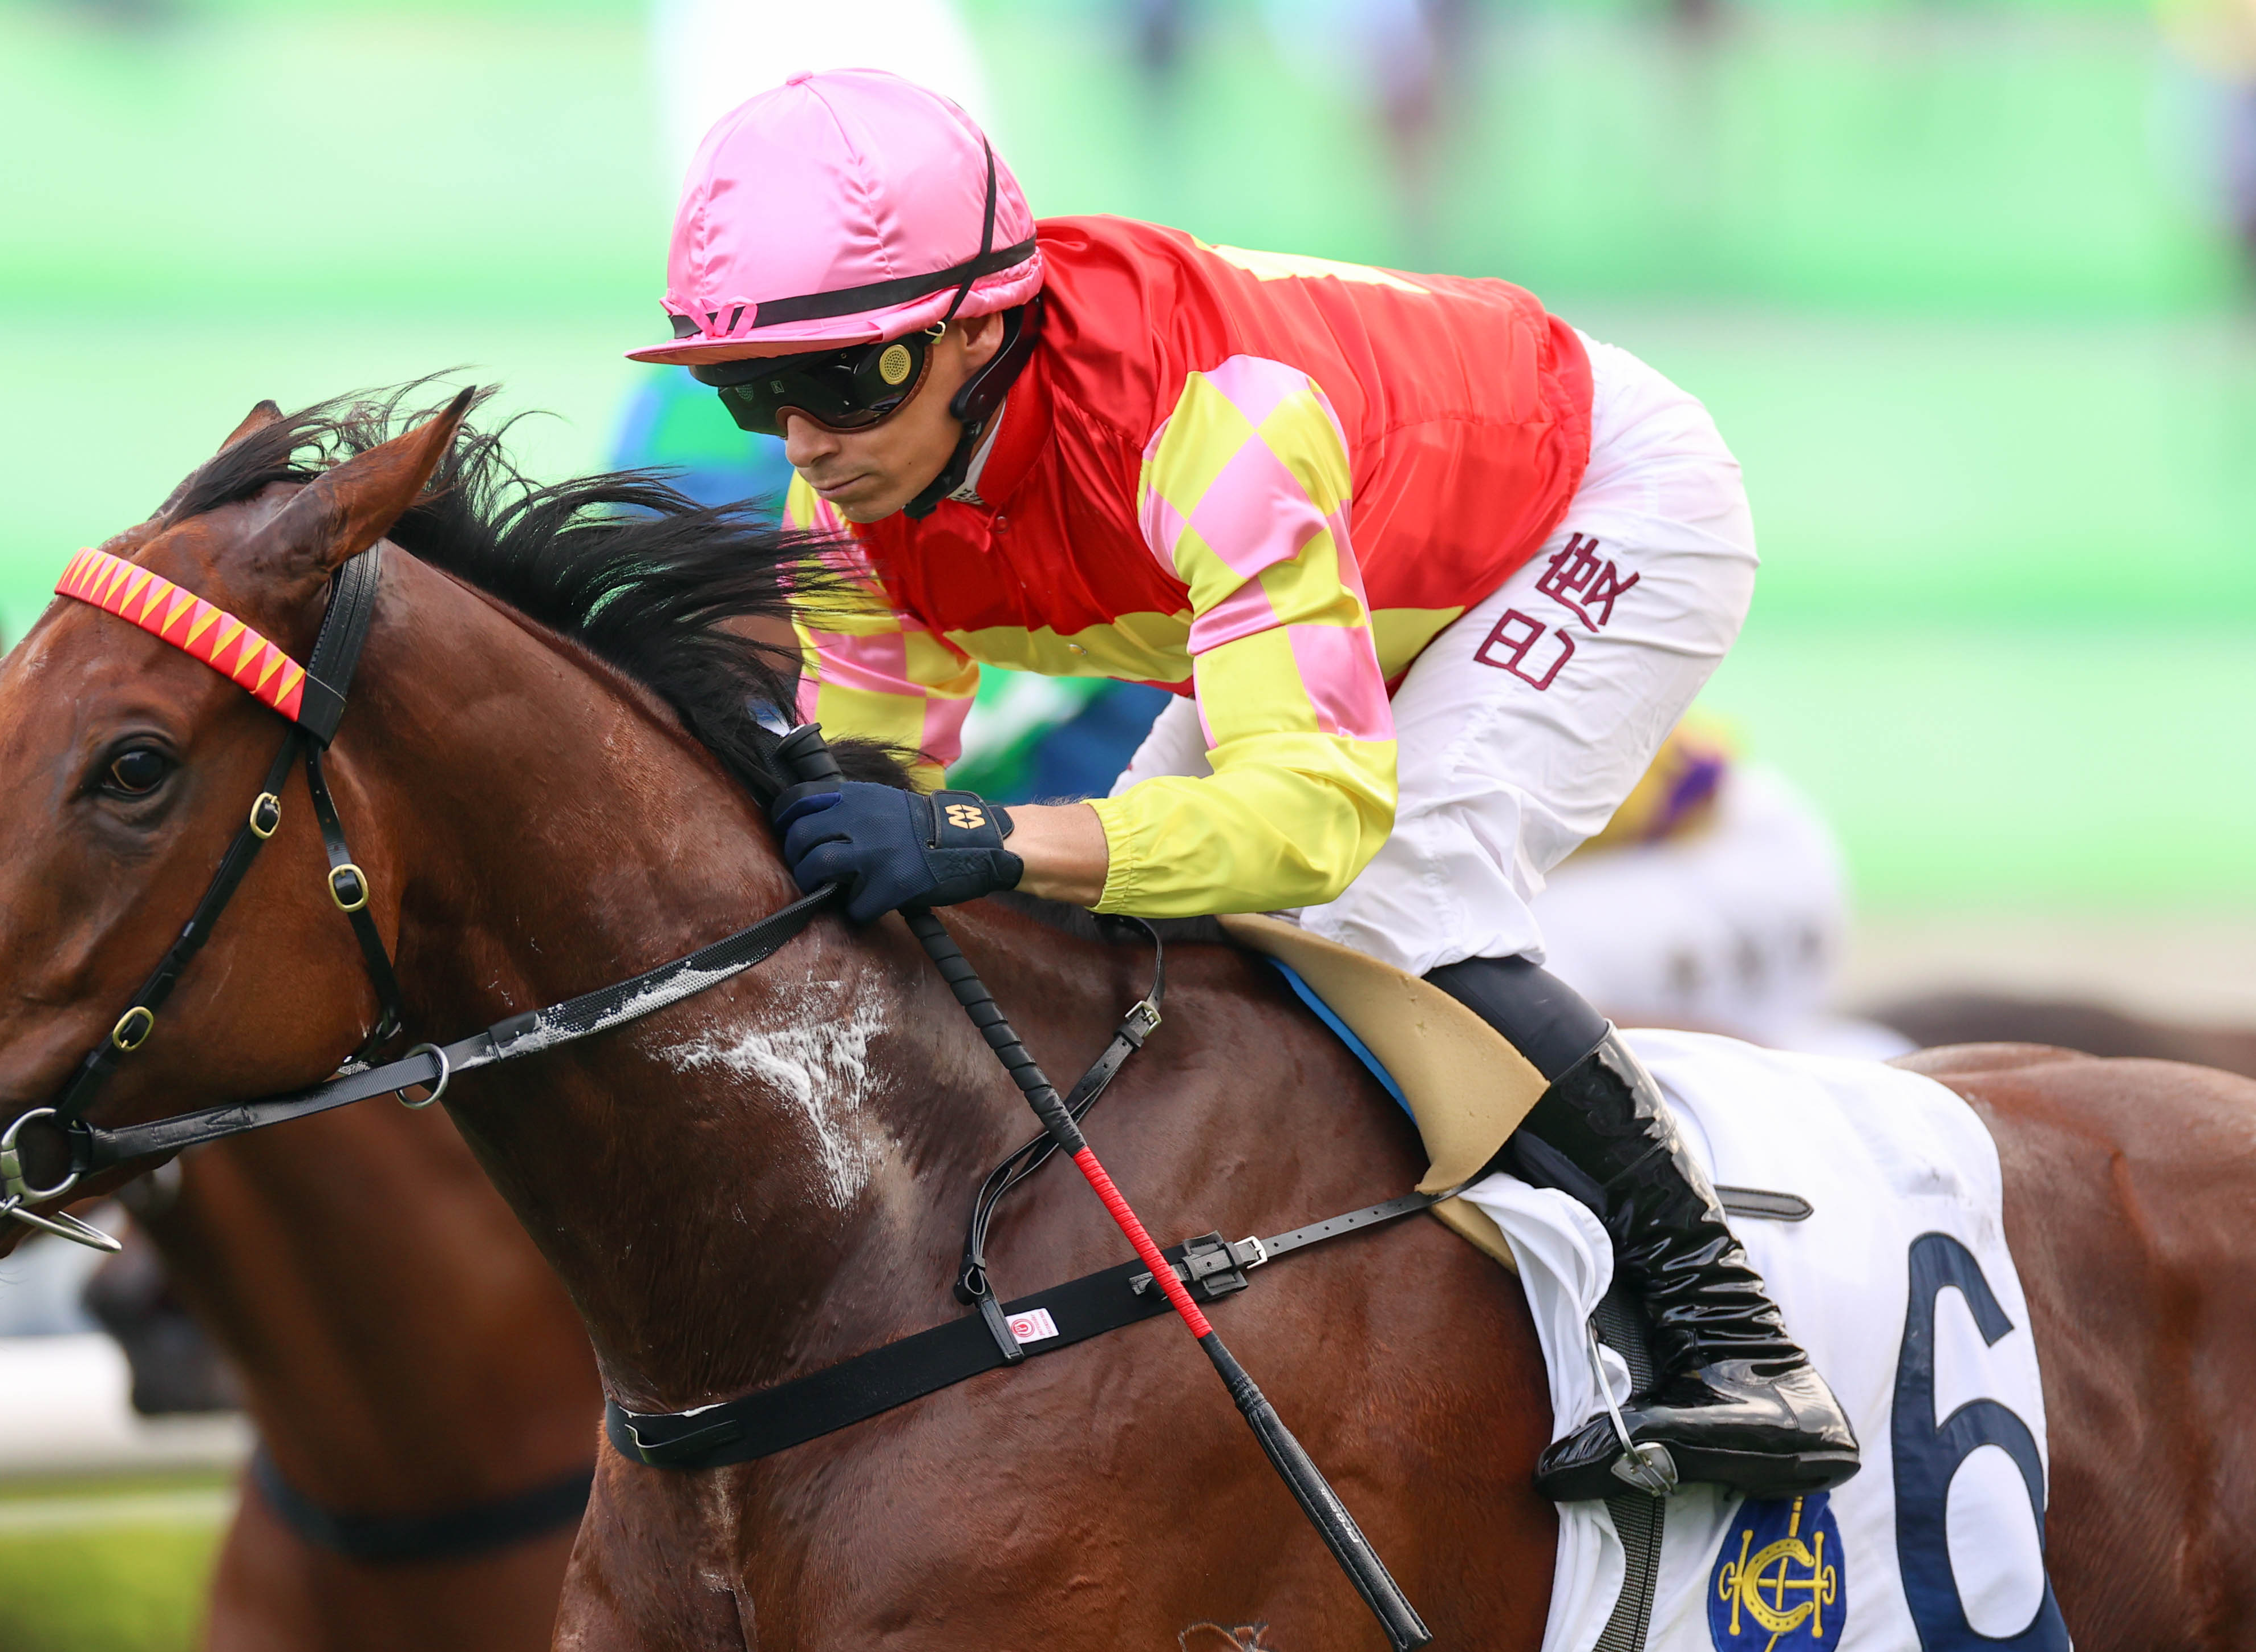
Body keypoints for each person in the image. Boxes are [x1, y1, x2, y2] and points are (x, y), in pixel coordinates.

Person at [629, 68, 1858, 1503]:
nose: (805, 441)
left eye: (844, 382)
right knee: (1126, 924)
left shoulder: (1211, 427)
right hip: (1370, 534)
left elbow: (1312, 820)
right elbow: (869, 785)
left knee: (1392, 894)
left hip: (1595, 501)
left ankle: (1736, 1336)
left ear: (977, 328)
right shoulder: (848, 495)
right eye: (754, 394)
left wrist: (982, 835)